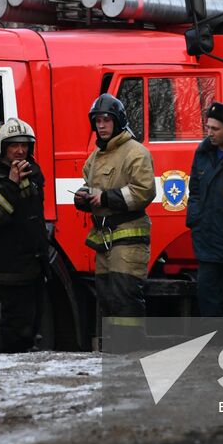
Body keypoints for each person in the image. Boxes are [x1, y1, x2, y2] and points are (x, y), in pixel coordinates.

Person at [74, 94, 155, 343]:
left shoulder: (135, 152)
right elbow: (90, 186)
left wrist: (107, 198)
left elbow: (145, 191)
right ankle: (115, 354)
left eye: (106, 120)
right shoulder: (96, 157)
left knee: (125, 299)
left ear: (118, 120)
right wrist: (82, 197)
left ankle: (131, 353)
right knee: (108, 298)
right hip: (105, 241)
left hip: (128, 240)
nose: (101, 125)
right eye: (97, 120)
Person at [0, 118, 49, 353]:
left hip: (33, 264)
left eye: (24, 145)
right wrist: (12, 184)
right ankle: (4, 367)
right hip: (8, 267)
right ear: (3, 148)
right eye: (14, 145)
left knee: (32, 324)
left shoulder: (33, 172)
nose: (20, 150)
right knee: (15, 328)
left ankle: (23, 365)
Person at [186, 102, 223, 317]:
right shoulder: (203, 152)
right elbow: (195, 191)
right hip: (206, 237)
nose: (210, 133)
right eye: (207, 128)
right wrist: (195, 219)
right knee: (206, 291)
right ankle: (215, 339)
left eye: (215, 129)